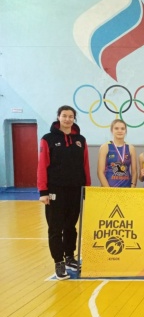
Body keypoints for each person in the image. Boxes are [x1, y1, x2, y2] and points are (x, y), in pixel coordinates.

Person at [37, 105, 91, 280]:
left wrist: (86, 188)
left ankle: (69, 257)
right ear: (58, 117)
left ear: (74, 119)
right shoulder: (48, 139)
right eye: (64, 116)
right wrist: (43, 191)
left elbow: (85, 166)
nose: (67, 119)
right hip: (55, 190)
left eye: (71, 116)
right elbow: (42, 166)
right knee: (55, 228)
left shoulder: (80, 140)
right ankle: (59, 262)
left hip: (75, 190)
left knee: (70, 227)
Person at [97, 119, 137, 187]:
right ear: (112, 130)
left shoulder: (131, 148)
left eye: (122, 128)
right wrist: (108, 190)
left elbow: (134, 172)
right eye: (116, 128)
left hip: (126, 189)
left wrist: (132, 187)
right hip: (109, 189)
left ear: (126, 131)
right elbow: (100, 172)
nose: (120, 131)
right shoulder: (105, 147)